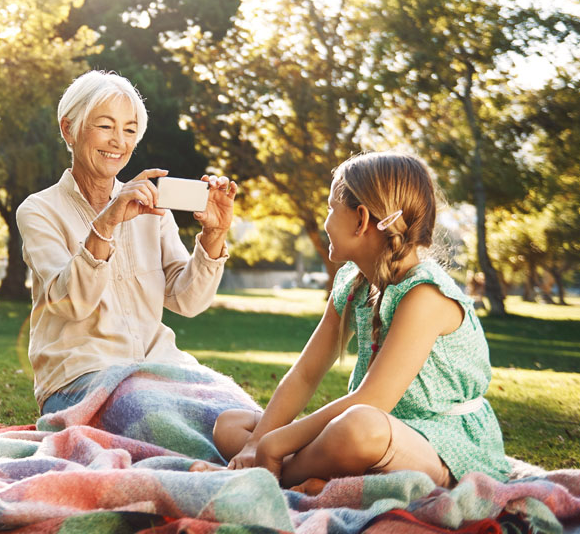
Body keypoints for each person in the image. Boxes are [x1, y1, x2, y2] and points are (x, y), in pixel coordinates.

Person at [212, 151, 508, 489]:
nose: (324, 222)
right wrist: (256, 443)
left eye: (330, 209)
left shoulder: (424, 294)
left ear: (361, 219)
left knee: (358, 427)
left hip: (443, 445)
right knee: (230, 424)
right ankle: (318, 476)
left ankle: (268, 475)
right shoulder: (353, 282)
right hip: (371, 427)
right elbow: (306, 375)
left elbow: (372, 400)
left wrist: (274, 445)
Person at [16, 70, 238, 416]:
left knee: (235, 408)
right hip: (80, 379)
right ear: (68, 129)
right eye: (105, 126)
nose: (119, 141)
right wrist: (107, 221)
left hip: (159, 367)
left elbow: (186, 299)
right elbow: (70, 304)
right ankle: (209, 464)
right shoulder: (38, 211)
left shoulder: (154, 209)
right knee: (153, 412)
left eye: (129, 130)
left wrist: (214, 235)